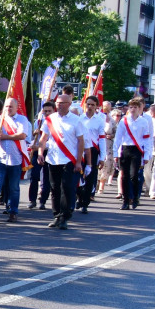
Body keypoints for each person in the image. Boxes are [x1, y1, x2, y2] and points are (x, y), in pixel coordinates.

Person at [36, 86, 84, 229]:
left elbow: (81, 141)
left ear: (69, 104)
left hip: (68, 160)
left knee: (66, 188)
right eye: (57, 103)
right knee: (54, 188)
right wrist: (40, 153)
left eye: (62, 103)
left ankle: (64, 216)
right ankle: (56, 215)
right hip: (53, 159)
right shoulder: (50, 119)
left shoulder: (76, 120)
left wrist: (78, 161)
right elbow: (43, 139)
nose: (59, 105)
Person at [0, 97, 29, 223]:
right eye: (6, 106)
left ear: (16, 107)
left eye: (11, 106)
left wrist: (6, 136)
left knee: (13, 187)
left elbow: (22, 135)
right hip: (0, 158)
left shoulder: (22, 120)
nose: (8, 109)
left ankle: (13, 211)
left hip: (15, 159)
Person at [112, 96, 152, 210]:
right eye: (131, 107)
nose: (133, 109)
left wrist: (146, 154)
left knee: (134, 176)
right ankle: (125, 200)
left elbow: (146, 139)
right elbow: (118, 137)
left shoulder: (143, 121)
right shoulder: (124, 120)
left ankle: (134, 198)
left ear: (139, 108)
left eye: (135, 107)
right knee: (124, 176)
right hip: (125, 149)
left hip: (137, 150)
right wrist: (116, 153)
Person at [76, 94, 106, 214]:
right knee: (77, 175)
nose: (90, 106)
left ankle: (85, 203)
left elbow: (102, 139)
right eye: (88, 104)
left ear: (96, 107)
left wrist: (102, 157)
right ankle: (79, 197)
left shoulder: (99, 121)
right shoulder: (79, 119)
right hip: (80, 150)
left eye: (92, 105)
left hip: (93, 151)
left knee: (90, 177)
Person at [27, 102, 55, 210]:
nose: (47, 113)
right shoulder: (38, 122)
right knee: (34, 176)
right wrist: (34, 137)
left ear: (53, 111)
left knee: (47, 177)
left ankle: (43, 200)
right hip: (36, 152)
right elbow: (29, 139)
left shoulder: (55, 123)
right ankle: (32, 200)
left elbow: (52, 142)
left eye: (49, 111)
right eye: (45, 111)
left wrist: (40, 146)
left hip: (48, 152)